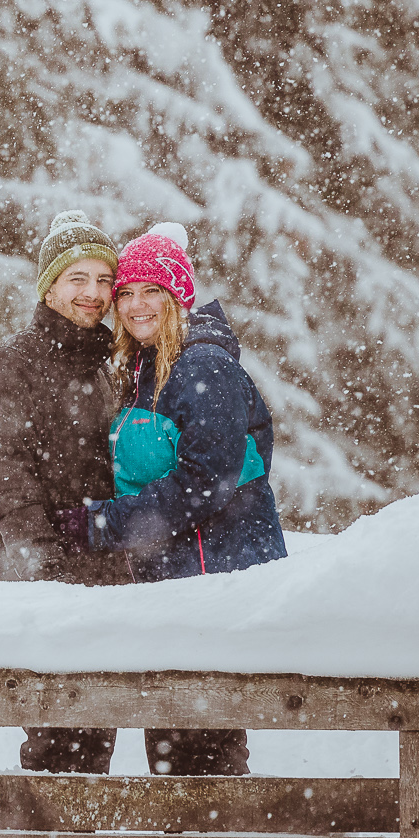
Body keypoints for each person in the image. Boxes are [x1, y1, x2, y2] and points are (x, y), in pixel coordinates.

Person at [51, 223, 288, 776]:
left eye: (151, 290)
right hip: (173, 587)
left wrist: (103, 524)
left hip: (212, 585)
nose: (135, 304)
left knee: (203, 756)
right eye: (126, 292)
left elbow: (207, 482)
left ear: (179, 296)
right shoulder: (147, 368)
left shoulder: (202, 365)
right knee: (175, 754)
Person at [0, 209, 131, 774]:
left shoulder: (107, 366)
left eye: (105, 280)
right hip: (42, 579)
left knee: (92, 739)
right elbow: (3, 479)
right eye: (78, 279)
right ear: (50, 286)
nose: (94, 294)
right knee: (58, 740)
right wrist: (44, 565)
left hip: (101, 573)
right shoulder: (11, 364)